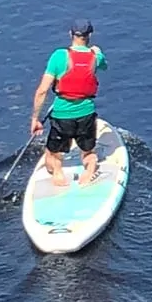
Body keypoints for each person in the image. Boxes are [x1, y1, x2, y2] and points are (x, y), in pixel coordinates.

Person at [30, 20, 107, 187]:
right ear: (90, 35)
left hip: (61, 115)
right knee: (88, 152)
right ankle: (89, 170)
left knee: (52, 154)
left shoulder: (59, 56)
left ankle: (58, 174)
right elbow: (103, 65)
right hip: (86, 113)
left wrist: (35, 118)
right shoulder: (96, 57)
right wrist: (98, 51)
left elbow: (42, 91)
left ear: (70, 34)